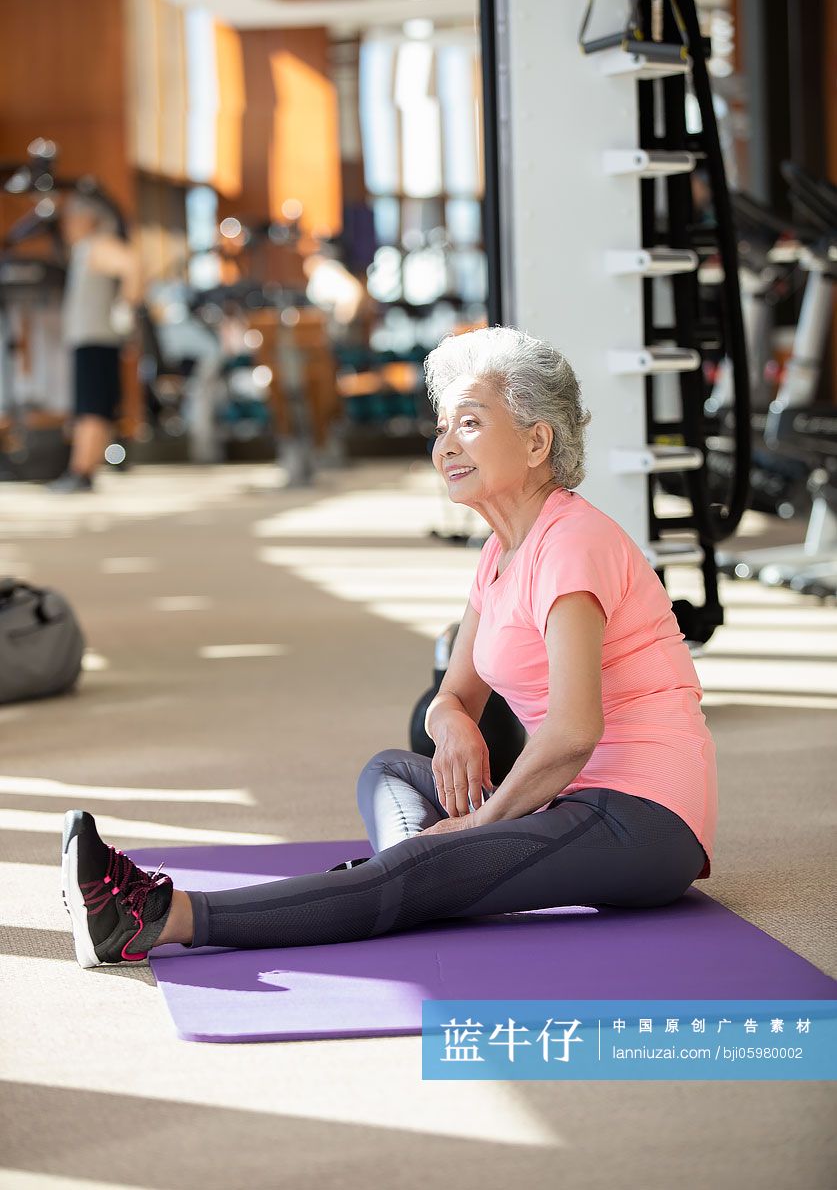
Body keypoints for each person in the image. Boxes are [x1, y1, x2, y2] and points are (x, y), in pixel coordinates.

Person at [61, 325, 716, 968]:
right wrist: (452, 720)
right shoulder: (499, 552)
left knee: (428, 856)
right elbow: (453, 693)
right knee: (391, 770)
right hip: (565, 796)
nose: (445, 445)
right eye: (440, 427)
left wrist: (473, 825)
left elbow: (573, 732)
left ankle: (155, 915)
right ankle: (417, 880)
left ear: (537, 439)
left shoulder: (574, 543)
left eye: (468, 422)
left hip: (639, 816)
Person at [49, 190, 140, 493]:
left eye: (72, 219)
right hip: (89, 339)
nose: (67, 226)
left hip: (97, 339)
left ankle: (81, 470)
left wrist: (124, 307)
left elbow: (133, 266)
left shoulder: (99, 244)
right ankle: (85, 470)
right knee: (91, 406)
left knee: (92, 407)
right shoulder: (84, 249)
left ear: (87, 219)